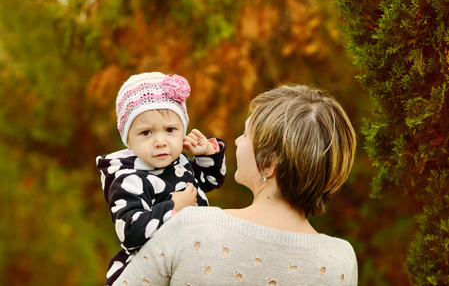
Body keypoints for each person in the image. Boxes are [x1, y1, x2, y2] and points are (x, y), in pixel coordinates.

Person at [112, 84, 358, 285]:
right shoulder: (341, 261)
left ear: (269, 164)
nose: (238, 141)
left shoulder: (191, 225)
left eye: (247, 135)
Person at [96, 72, 226, 286]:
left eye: (170, 130)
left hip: (188, 264)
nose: (160, 141)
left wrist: (206, 154)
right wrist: (173, 207)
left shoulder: (180, 163)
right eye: (146, 132)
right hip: (146, 275)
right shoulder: (128, 179)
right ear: (128, 139)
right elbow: (130, 232)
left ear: (183, 129)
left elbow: (211, 181)